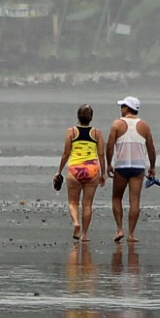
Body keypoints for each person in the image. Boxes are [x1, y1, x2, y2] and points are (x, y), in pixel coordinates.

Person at [106, 95, 157, 243]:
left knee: (116, 197)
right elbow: (151, 148)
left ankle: (119, 229)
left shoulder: (116, 124)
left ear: (127, 108)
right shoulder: (144, 126)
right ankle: (131, 234)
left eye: (122, 106)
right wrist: (152, 166)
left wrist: (109, 164)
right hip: (138, 167)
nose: (120, 109)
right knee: (135, 201)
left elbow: (110, 146)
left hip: (121, 166)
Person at [55, 103, 107, 241]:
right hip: (92, 170)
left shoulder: (71, 132)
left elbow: (66, 153)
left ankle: (76, 223)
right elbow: (101, 154)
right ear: (91, 118)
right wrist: (103, 173)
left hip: (75, 169)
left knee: (73, 202)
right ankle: (84, 235)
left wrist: (59, 171)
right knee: (87, 204)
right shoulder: (97, 133)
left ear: (78, 116)